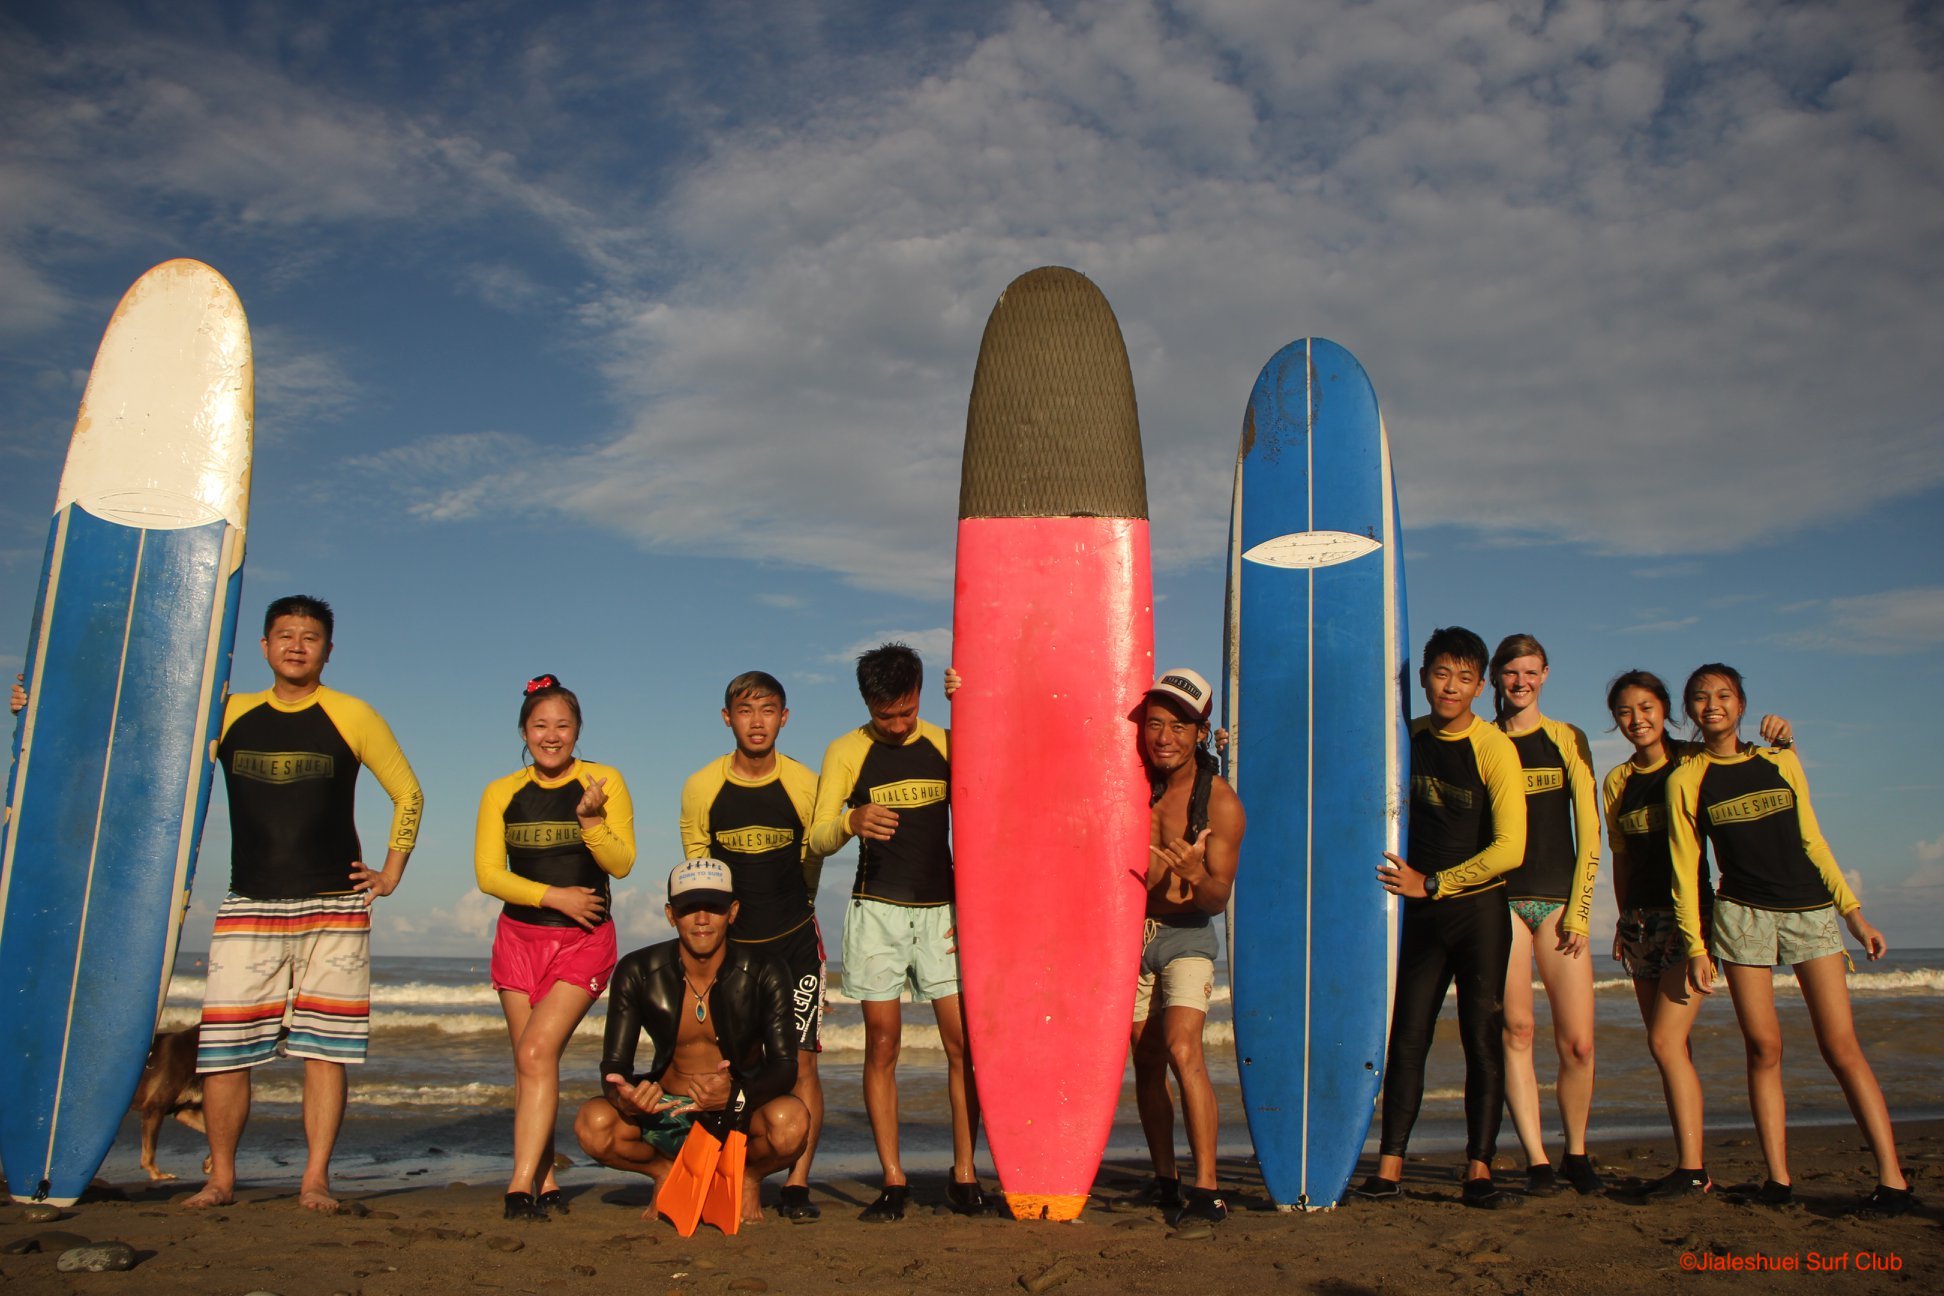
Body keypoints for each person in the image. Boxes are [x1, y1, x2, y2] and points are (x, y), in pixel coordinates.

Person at [185, 595, 423, 1213]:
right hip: (250, 901)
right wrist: (35, 706)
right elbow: (142, 739)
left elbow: (409, 794)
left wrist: (391, 871)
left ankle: (315, 1178)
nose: (296, 645)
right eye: (284, 635)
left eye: (310, 637)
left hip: (335, 906)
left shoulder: (352, 715)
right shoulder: (227, 713)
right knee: (225, 1050)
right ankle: (221, 1179)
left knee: (326, 1050)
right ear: (265, 647)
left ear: (327, 650)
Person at [1668, 664, 1914, 1215]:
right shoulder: (1686, 779)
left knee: (1841, 1047)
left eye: (1724, 695)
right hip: (1742, 917)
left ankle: (1893, 1179)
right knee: (1764, 1049)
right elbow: (1688, 871)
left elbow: (1813, 839)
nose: (1713, 704)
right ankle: (1777, 1180)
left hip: (1809, 912)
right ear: (1690, 710)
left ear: (1741, 704)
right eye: (1701, 697)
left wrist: (1855, 915)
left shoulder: (1781, 761)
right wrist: (1695, 946)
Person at [808, 642, 984, 1220]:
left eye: (907, 712)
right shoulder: (845, 751)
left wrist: (975, 704)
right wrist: (850, 820)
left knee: (965, 1047)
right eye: (887, 716)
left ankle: (964, 1172)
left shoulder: (944, 740)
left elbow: (992, 788)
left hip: (943, 912)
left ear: (920, 695)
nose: (899, 725)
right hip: (876, 910)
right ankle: (893, 1178)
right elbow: (817, 837)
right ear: (867, 704)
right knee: (883, 1044)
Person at [1604, 669, 1792, 1200]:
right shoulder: (1617, 780)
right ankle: (1693, 1162)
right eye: (1624, 711)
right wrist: (1624, 919)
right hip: (1640, 920)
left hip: (1690, 920)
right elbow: (1622, 855)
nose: (1636, 720)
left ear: (1666, 711)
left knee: (1664, 1040)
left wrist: (1783, 737)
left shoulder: (1691, 763)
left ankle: (1692, 1169)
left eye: (1646, 708)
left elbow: (1743, 764)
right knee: (1669, 1046)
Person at [1365, 626, 1526, 1208]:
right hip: (1422, 915)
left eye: (1463, 678)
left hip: (1477, 912)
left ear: (1481, 687)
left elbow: (1512, 848)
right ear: (1425, 677)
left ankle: (1478, 1168)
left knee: (1481, 1038)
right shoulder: (1408, 738)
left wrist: (1433, 883)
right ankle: (1388, 1167)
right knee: (1408, 1037)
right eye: (1440, 674)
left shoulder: (1494, 748)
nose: (1450, 687)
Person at [476, 673, 635, 1220]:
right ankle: (543, 1178)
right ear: (524, 730)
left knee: (537, 1053)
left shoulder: (603, 780)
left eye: (562, 725)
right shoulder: (501, 792)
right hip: (518, 939)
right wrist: (554, 896)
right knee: (529, 1065)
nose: (551, 736)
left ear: (577, 729)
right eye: (540, 725)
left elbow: (622, 862)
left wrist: (590, 821)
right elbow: (488, 875)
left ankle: (517, 1186)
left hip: (584, 941)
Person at [572, 859, 808, 1225]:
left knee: (791, 1122)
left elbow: (785, 1068)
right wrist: (627, 1099)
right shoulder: (637, 970)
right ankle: (665, 1172)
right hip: (667, 1113)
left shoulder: (765, 969)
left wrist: (735, 1096)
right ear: (671, 914)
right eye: (688, 908)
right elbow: (614, 1068)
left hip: (737, 1114)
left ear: (732, 912)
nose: (701, 919)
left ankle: (746, 1177)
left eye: (713, 907)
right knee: (592, 1124)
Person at [680, 671, 827, 1220]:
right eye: (745, 711)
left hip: (792, 942)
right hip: (733, 952)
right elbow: (700, 870)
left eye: (768, 710)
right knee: (734, 1063)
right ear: (727, 719)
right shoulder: (702, 786)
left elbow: (812, 860)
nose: (757, 721)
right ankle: (733, 1170)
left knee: (804, 1064)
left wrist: (797, 910)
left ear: (784, 718)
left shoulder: (805, 783)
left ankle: (797, 1185)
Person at [1488, 634, 1602, 1197]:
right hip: (1502, 903)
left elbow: (1591, 833)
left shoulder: (1567, 739)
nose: (1521, 682)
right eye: (1511, 672)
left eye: (1530, 672)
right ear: (1495, 679)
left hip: (1560, 904)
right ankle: (1536, 1160)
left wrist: (1580, 912)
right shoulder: (1482, 741)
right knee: (1518, 1030)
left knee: (1578, 1043)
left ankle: (1575, 1151)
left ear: (1546, 675)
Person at [1132, 668, 1244, 1225]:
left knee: (1182, 1049)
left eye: (1179, 726)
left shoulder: (1219, 802)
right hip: (1131, 939)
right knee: (1146, 1063)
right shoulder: (1130, 784)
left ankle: (1208, 1188)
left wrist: (1197, 875)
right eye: (1155, 724)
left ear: (1201, 732)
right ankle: (1165, 1180)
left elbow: (1219, 896)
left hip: (1188, 936)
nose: (1164, 738)